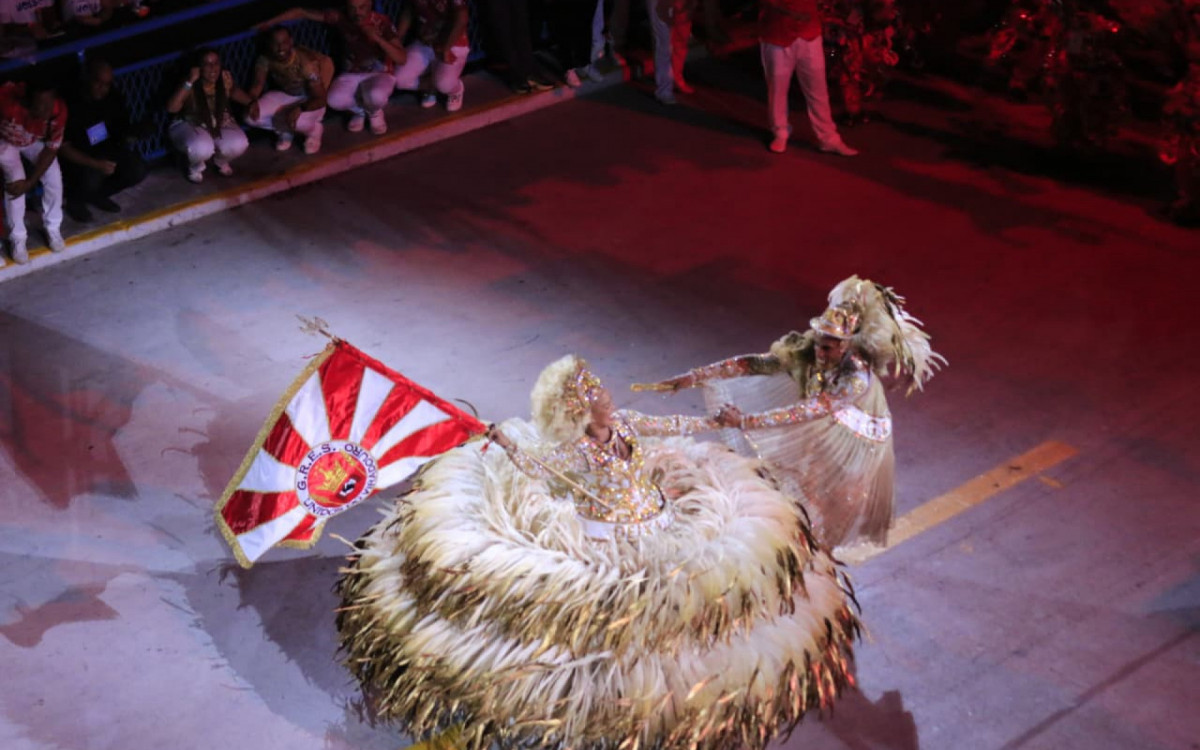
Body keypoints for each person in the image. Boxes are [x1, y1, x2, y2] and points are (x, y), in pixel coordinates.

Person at [336, 354, 862, 750]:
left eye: (605, 397)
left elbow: (673, 426)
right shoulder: (575, 451)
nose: (607, 404)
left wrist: (719, 423)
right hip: (602, 530)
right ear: (579, 413)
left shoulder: (628, 424)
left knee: (671, 593)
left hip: (656, 518)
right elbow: (538, 469)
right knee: (614, 604)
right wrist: (509, 445)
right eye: (596, 402)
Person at [637, 276, 944, 550]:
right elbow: (754, 364)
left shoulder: (854, 380)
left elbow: (807, 411)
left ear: (846, 347)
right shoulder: (811, 349)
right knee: (796, 481)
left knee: (825, 499)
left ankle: (816, 548)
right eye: (819, 344)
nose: (819, 353)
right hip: (821, 419)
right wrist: (694, 376)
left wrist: (744, 421)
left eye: (828, 348)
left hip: (850, 440)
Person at [261, 0, 405, 135]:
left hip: (379, 73)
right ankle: (361, 111)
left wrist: (378, 39)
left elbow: (401, 59)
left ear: (370, 3)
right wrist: (269, 23)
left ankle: (374, 112)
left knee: (376, 95)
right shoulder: (340, 18)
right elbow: (302, 12)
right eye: (352, 8)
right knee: (333, 100)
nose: (357, 12)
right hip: (351, 73)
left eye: (362, 7)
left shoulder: (381, 22)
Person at [758, 0, 857, 154]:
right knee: (778, 88)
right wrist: (790, 13)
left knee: (818, 89)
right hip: (778, 32)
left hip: (809, 32)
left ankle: (828, 138)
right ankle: (780, 131)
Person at [60, 58, 147, 222]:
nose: (102, 88)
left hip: (105, 149)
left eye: (106, 84)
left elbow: (121, 129)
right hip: (79, 158)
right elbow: (63, 148)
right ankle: (75, 201)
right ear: (88, 78)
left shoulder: (113, 98)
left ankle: (98, 196)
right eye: (98, 82)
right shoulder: (72, 102)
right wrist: (95, 163)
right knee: (91, 176)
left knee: (137, 169)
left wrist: (133, 134)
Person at [0, 78, 67, 265]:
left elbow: (51, 149)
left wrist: (31, 182)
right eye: (40, 106)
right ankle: (18, 239)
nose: (46, 111)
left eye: (49, 105)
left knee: (53, 174)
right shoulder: (7, 101)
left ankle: (53, 227)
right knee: (16, 180)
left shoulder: (57, 111)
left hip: (30, 140)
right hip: (5, 140)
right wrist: (24, 182)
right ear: (28, 102)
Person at [166, 48, 252, 183]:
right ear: (198, 67)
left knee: (239, 143)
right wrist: (189, 81)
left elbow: (233, 91)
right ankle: (195, 167)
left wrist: (251, 103)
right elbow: (172, 108)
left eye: (216, 63)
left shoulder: (224, 78)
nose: (213, 68)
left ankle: (220, 161)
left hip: (215, 121)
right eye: (207, 64)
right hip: (189, 122)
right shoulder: (190, 82)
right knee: (202, 147)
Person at [244, 26, 331, 154]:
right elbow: (257, 85)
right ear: (269, 44)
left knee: (297, 120)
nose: (280, 48)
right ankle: (285, 131)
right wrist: (252, 102)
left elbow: (321, 99)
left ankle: (314, 131)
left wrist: (300, 109)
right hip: (286, 95)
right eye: (276, 43)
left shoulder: (306, 64)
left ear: (291, 41)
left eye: (284, 42)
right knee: (250, 116)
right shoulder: (265, 58)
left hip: (309, 99)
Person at [391, 0, 470, 112]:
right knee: (400, 78)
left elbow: (462, 18)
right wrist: (398, 39)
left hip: (452, 43)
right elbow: (409, 11)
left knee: (444, 85)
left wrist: (446, 48)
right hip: (425, 42)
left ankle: (455, 90)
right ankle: (430, 88)